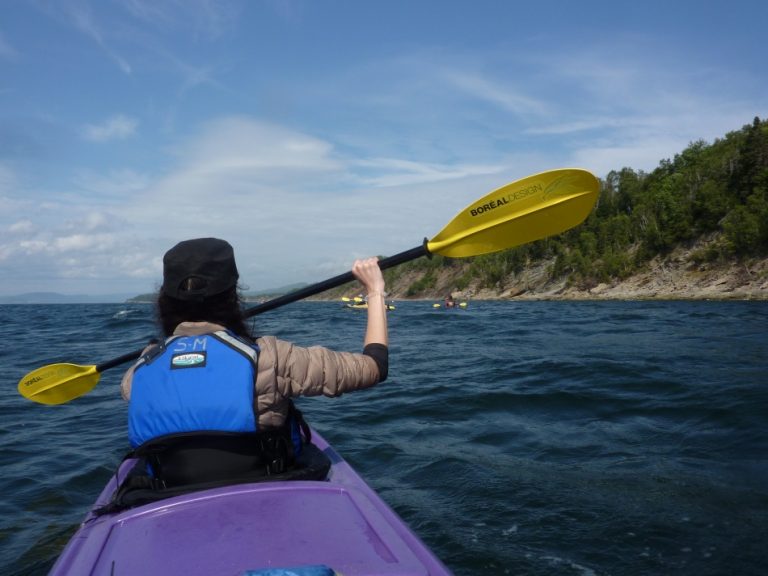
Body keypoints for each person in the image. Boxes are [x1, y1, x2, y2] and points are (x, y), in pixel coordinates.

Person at [119, 237, 388, 487]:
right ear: (233, 295)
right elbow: (374, 367)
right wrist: (375, 292)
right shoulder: (272, 358)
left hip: (169, 495)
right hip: (265, 492)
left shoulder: (139, 372)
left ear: (164, 300)